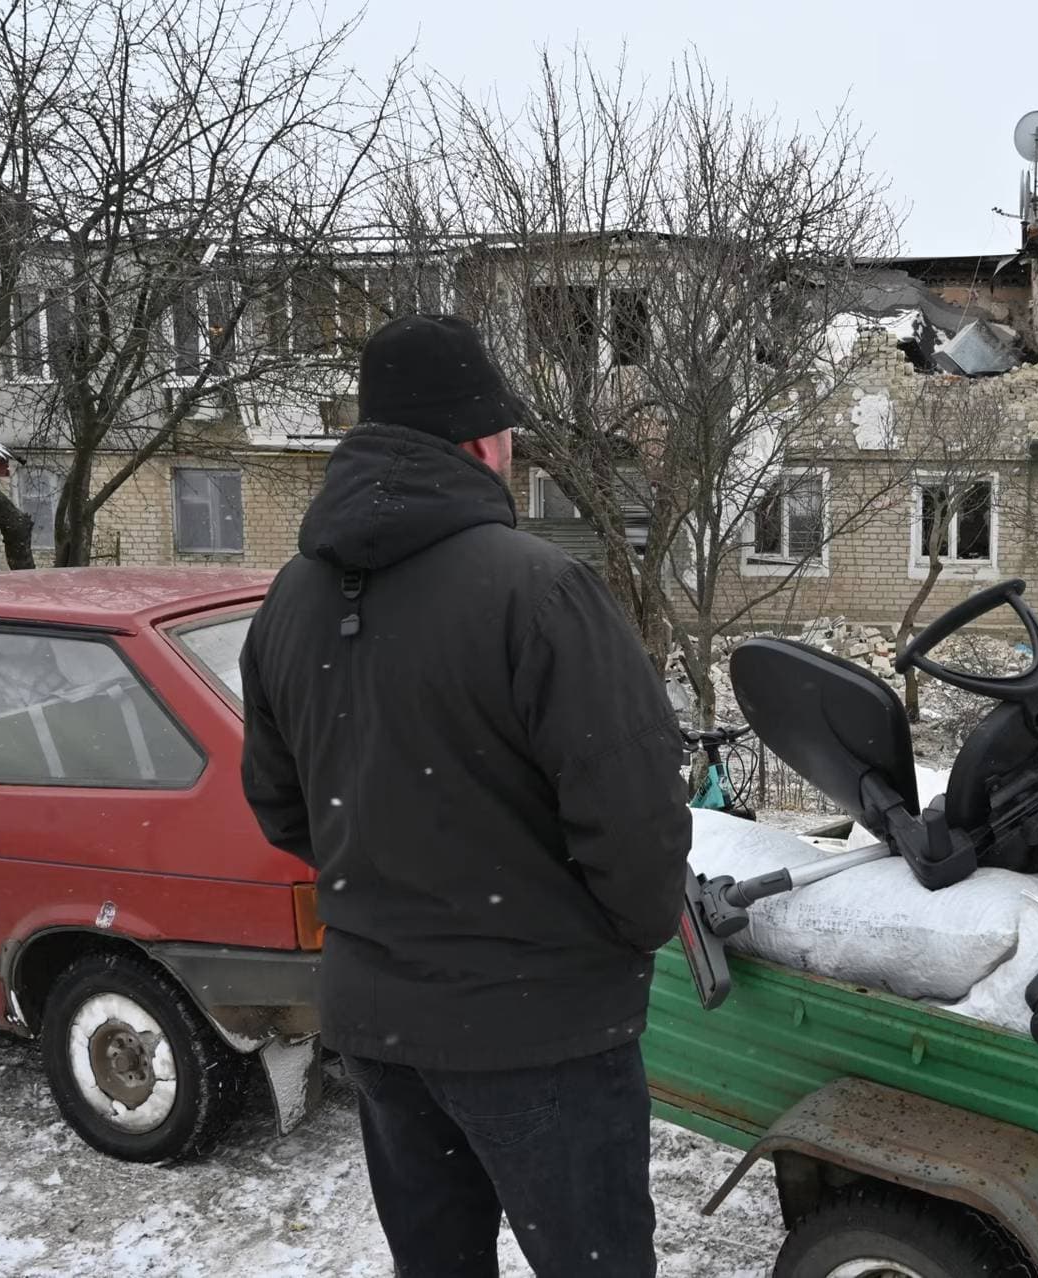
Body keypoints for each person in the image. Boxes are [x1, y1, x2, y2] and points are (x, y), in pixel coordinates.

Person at [239, 314, 692, 1278]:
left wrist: (397, 882)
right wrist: (618, 936)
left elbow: (281, 807)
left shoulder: (289, 596)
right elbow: (638, 823)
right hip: (542, 1029)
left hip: (379, 1025)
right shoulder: (542, 592)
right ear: (484, 444)